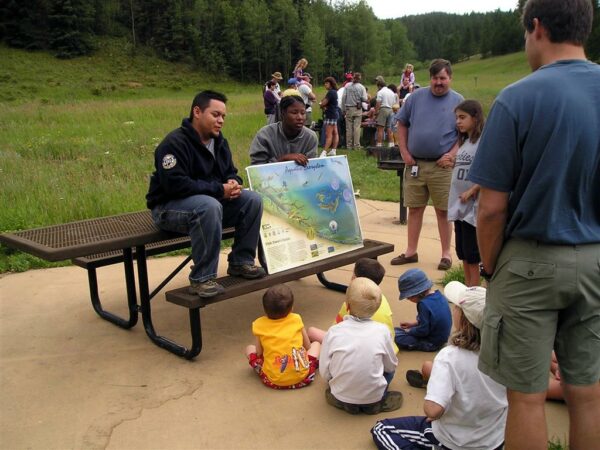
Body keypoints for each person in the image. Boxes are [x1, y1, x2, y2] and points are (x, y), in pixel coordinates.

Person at [467, 1, 600, 448]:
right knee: (588, 392)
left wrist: (490, 267)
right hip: (596, 258)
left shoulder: (518, 98)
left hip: (528, 262)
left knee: (526, 397)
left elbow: (490, 209)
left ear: (536, 27)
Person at [146, 91, 266, 298]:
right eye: (215, 114)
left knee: (252, 200)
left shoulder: (219, 142)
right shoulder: (174, 144)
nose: (220, 121)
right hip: (168, 208)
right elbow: (175, 185)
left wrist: (233, 182)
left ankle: (241, 262)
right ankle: (202, 278)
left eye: (223, 116)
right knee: (208, 206)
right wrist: (220, 190)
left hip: (208, 204)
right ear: (197, 112)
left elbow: (230, 171)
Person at [372, 281, 507, 450]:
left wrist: (436, 400)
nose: (454, 309)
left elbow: (432, 411)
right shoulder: (509, 356)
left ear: (464, 319)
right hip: (492, 441)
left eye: (457, 307)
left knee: (381, 429)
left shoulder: (450, 357)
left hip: (453, 441)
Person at [390, 58, 464, 271]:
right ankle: (411, 251)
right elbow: (401, 123)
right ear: (429, 79)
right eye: (435, 78)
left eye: (442, 78)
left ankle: (446, 254)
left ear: (450, 78)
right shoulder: (415, 97)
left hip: (442, 167)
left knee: (443, 211)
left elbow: (464, 133)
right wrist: (404, 151)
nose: (438, 82)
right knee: (414, 209)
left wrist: (452, 154)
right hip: (415, 164)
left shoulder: (458, 101)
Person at [320, 277, 402, 415]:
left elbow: (324, 370)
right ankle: (375, 403)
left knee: (336, 373)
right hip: (373, 395)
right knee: (390, 368)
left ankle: (344, 401)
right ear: (376, 309)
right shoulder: (383, 331)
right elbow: (390, 366)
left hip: (341, 392)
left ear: (347, 306)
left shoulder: (334, 331)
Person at [307, 258, 399, 354]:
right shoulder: (381, 298)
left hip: (356, 349)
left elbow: (335, 332)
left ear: (354, 278)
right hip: (387, 349)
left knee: (311, 332)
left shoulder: (351, 302)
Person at [245, 284, 320, 389]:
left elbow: (259, 352)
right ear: (291, 308)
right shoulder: (296, 319)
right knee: (316, 344)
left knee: (249, 348)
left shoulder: (259, 324)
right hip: (303, 378)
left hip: (273, 381)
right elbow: (307, 346)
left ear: (265, 310)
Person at [448, 100, 485, 286]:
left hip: (473, 207)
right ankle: (467, 289)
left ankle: (475, 292)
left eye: (462, 117)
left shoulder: (482, 142)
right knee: (462, 251)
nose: (458, 122)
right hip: (458, 205)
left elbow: (489, 170)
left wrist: (472, 190)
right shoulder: (464, 142)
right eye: (457, 118)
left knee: (472, 255)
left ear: (475, 117)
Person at [249, 95, 318, 167]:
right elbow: (257, 169)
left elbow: (312, 168)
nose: (300, 117)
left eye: (303, 113)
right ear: (282, 113)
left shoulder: (310, 137)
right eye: (294, 113)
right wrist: (283, 159)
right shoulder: (264, 135)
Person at [394, 268, 451, 352]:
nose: (408, 299)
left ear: (416, 294)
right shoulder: (439, 295)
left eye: (408, 297)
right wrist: (413, 324)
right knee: (396, 331)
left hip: (431, 342)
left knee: (395, 335)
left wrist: (410, 331)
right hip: (441, 337)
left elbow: (423, 331)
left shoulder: (423, 304)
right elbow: (433, 319)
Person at [341, 72, 368, 150]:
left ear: (353, 77)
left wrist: (343, 109)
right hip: (357, 108)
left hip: (349, 108)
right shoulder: (362, 87)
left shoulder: (347, 86)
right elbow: (364, 99)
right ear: (359, 79)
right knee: (357, 127)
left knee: (348, 128)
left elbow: (343, 97)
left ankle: (349, 145)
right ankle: (356, 145)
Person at [318, 76, 339, 158]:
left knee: (328, 134)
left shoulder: (330, 92)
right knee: (335, 133)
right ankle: (334, 150)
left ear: (331, 84)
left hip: (330, 115)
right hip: (334, 114)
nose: (325, 85)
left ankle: (324, 152)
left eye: (326, 83)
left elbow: (323, 103)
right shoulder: (334, 92)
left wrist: (321, 104)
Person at [373, 76, 396, 148]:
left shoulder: (380, 92)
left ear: (379, 86)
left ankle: (379, 145)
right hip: (391, 110)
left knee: (380, 128)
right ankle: (391, 145)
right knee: (389, 129)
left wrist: (376, 113)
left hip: (383, 109)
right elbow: (394, 103)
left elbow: (378, 103)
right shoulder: (391, 92)